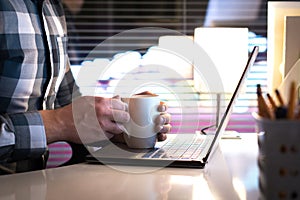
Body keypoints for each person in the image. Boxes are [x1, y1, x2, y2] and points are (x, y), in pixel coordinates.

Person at [0, 0, 171, 174]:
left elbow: (70, 106)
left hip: (32, 184)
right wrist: (59, 123)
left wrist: (117, 126)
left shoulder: (52, 9)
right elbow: (66, 119)